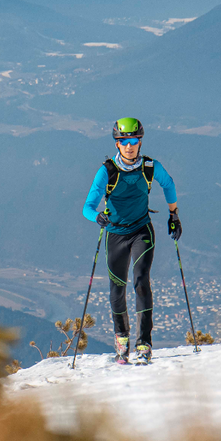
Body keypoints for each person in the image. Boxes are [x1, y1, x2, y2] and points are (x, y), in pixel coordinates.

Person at [81, 117, 181, 364]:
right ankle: (121, 338)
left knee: (141, 280)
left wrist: (174, 214)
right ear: (117, 143)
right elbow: (87, 206)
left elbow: (168, 184)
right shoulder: (107, 171)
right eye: (123, 141)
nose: (129, 146)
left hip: (141, 231)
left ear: (140, 141)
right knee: (117, 287)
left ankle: (144, 343)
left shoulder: (149, 167)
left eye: (134, 140)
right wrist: (97, 218)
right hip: (115, 234)